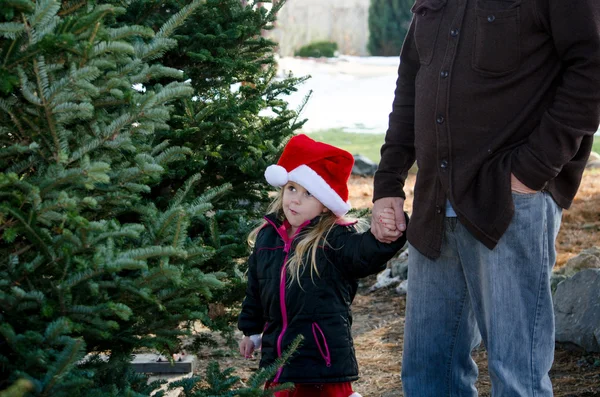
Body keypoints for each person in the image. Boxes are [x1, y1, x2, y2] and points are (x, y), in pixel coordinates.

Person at [370, 0, 600, 395]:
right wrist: (388, 182)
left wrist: (532, 170)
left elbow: (592, 69)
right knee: (428, 373)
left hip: (510, 202)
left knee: (516, 377)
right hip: (434, 200)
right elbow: (411, 78)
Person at [238, 134, 407, 397]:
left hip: (322, 360)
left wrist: (385, 236)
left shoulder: (333, 239)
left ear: (326, 206)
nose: (294, 199)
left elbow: (364, 254)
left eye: (307, 194)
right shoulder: (267, 236)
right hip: (279, 361)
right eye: (291, 188)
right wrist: (251, 330)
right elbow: (256, 289)